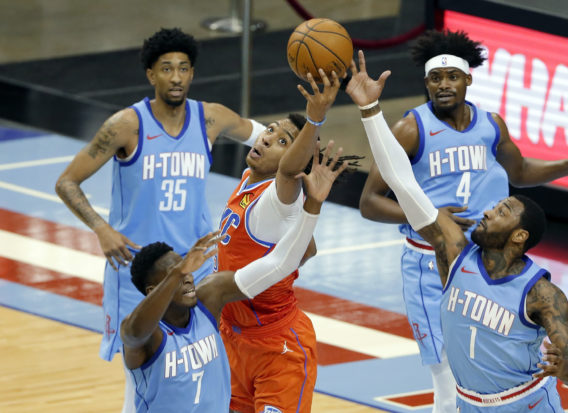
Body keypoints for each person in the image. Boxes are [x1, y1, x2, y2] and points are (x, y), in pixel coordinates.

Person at [357, 30, 568, 412]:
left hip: (487, 257)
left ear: (468, 79)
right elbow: (369, 202)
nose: (443, 85)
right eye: (435, 78)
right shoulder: (411, 128)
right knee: (447, 372)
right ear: (425, 83)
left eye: (451, 76)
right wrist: (429, 215)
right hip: (433, 257)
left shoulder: (491, 125)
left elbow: (519, 172)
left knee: (491, 359)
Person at [54, 27, 266, 410]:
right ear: (151, 74)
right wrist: (101, 228)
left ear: (192, 73)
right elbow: (67, 182)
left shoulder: (210, 118)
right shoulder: (126, 125)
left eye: (183, 68)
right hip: (139, 276)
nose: (176, 77)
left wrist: (310, 134)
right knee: (143, 381)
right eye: (167, 69)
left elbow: (268, 138)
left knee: (197, 371)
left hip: (195, 272)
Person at [121, 141, 348, 413]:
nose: (188, 277)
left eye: (185, 269)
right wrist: (178, 273)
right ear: (153, 290)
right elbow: (133, 331)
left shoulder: (208, 301)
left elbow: (282, 262)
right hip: (239, 345)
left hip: (276, 341)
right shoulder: (146, 336)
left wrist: (313, 205)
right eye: (175, 274)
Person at [216, 68, 361, 413]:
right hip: (233, 335)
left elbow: (286, 171)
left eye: (284, 142)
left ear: (298, 165)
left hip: (276, 346)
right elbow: (309, 248)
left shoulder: (277, 196)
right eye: (270, 130)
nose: (268, 139)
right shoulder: (251, 178)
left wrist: (315, 118)